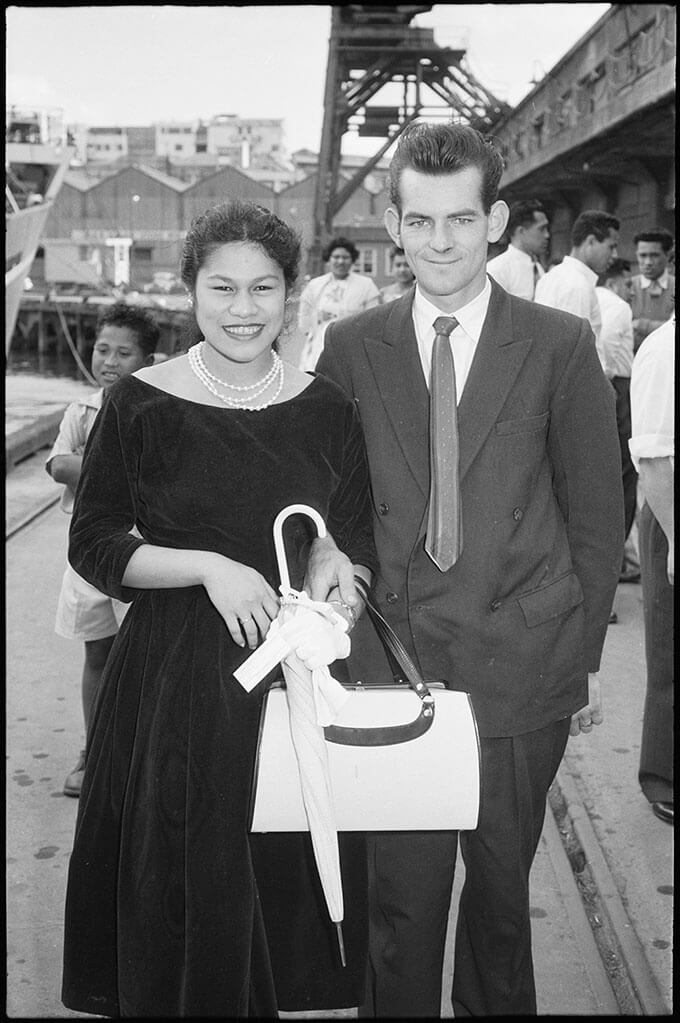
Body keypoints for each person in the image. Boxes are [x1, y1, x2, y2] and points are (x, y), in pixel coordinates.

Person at [307, 122, 624, 1018]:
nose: (439, 242)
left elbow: (597, 518)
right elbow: (332, 502)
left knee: (497, 911)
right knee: (401, 912)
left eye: (459, 220)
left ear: (496, 221)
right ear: (395, 226)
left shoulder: (559, 345)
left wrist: (578, 658)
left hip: (521, 670)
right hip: (394, 666)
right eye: (419, 221)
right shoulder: (350, 346)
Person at [61, 200, 378, 1017]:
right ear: (191, 290)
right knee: (187, 896)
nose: (244, 310)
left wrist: (338, 565)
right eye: (223, 287)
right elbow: (93, 542)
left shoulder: (327, 408)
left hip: (289, 687)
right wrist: (207, 567)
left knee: (274, 895)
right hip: (173, 688)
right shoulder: (138, 402)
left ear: (291, 294)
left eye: (263, 289)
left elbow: (341, 540)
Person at [46, 303, 159, 797]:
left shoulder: (158, 408)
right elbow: (56, 464)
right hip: (90, 556)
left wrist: (94, 468)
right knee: (97, 653)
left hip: (147, 553)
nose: (109, 361)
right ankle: (92, 751)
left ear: (148, 360)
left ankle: (141, 755)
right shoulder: (82, 410)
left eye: (124, 353)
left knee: (146, 654)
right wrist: (112, 471)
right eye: (102, 349)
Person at [629, 315, 674, 826]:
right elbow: (657, 458)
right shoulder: (665, 349)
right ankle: (663, 778)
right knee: (668, 653)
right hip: (670, 510)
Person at [595, 259, 640, 583]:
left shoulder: (596, 296)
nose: (631, 291)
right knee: (625, 473)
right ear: (614, 283)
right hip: (618, 386)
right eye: (627, 284)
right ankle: (618, 558)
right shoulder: (618, 305)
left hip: (616, 385)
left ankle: (619, 557)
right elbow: (607, 342)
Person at [534, 208, 619, 377]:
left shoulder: (552, 277)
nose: (615, 255)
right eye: (611, 247)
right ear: (591, 241)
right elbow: (573, 353)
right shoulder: (577, 286)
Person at [297, 235, 380, 370]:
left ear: (352, 259)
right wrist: (310, 332)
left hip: (352, 346)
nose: (340, 261)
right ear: (328, 259)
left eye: (345, 257)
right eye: (336, 257)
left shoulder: (366, 285)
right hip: (319, 344)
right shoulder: (315, 285)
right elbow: (304, 313)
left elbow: (374, 318)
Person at [486, 198, 550, 300]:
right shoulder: (497, 270)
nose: (547, 235)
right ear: (521, 231)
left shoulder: (538, 268)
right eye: (541, 229)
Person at [630, 228, 675, 351]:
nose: (648, 262)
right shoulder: (627, 286)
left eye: (654, 255)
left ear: (668, 256)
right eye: (642, 255)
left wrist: (641, 325)